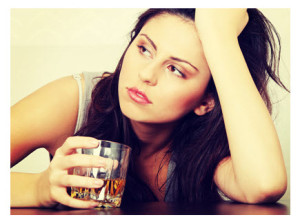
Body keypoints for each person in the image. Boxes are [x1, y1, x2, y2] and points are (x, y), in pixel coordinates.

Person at [11, 8, 288, 209]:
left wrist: (220, 37)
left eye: (175, 69)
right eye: (144, 49)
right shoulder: (75, 99)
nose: (146, 74)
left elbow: (264, 185)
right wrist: (39, 188)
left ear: (206, 102)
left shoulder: (207, 147)